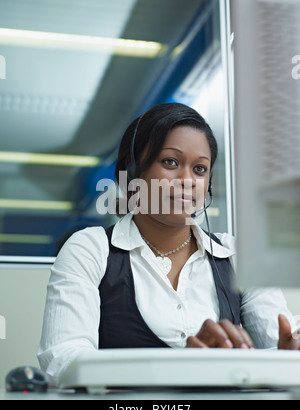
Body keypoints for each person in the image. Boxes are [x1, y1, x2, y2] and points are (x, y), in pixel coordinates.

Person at [38, 103, 299, 386]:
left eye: (200, 169)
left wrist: (288, 355)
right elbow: (63, 363)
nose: (187, 180)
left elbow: (279, 353)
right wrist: (184, 365)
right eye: (171, 162)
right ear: (132, 169)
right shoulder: (90, 249)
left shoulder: (239, 256)